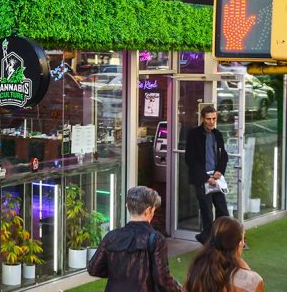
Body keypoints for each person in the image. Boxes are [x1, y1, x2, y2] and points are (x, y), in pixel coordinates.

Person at [87, 186, 181, 292]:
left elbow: (93, 269)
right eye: (154, 210)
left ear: (127, 206)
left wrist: (117, 272)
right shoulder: (156, 239)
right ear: (148, 211)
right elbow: (162, 280)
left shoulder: (111, 237)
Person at [185, 105, 229, 244]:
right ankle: (208, 239)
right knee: (207, 211)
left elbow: (223, 155)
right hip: (202, 179)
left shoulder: (217, 134)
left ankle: (222, 237)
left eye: (214, 118)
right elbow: (190, 159)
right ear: (202, 119)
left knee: (222, 210)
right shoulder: (194, 134)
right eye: (209, 119)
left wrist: (219, 171)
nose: (211, 122)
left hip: (216, 177)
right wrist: (206, 178)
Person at [184, 216, 264, 292]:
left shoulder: (196, 270)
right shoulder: (253, 280)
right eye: (244, 239)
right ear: (240, 244)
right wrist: (246, 269)